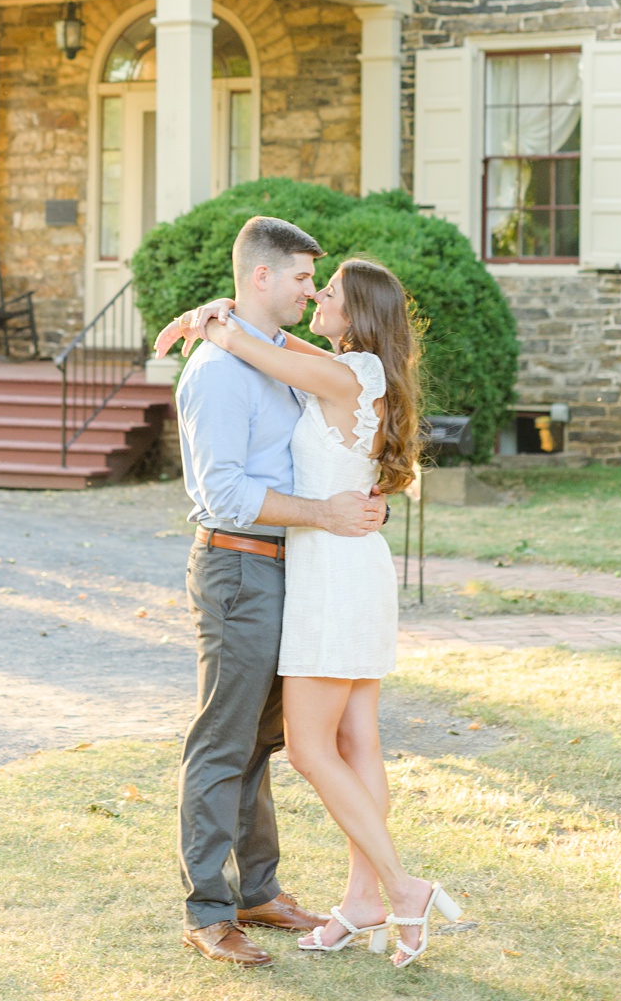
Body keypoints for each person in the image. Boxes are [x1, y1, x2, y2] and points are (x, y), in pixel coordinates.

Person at [164, 258, 461, 967]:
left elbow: (257, 347)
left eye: (326, 292)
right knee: (359, 743)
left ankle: (400, 886)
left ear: (355, 317)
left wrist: (216, 325)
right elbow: (277, 343)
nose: (315, 295)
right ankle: (363, 902)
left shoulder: (349, 373)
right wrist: (225, 311)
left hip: (332, 570)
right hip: (344, 563)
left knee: (307, 748)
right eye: (310, 283)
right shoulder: (349, 368)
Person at [151, 215, 389, 968]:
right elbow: (221, 490)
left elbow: (345, 417)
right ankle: (208, 909)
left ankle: (257, 888)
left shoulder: (279, 354)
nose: (309, 290)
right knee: (223, 739)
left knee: (264, 738)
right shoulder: (216, 371)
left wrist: (353, 494)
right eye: (298, 279)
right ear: (260, 277)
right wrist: (325, 512)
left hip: (298, 570)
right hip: (238, 568)